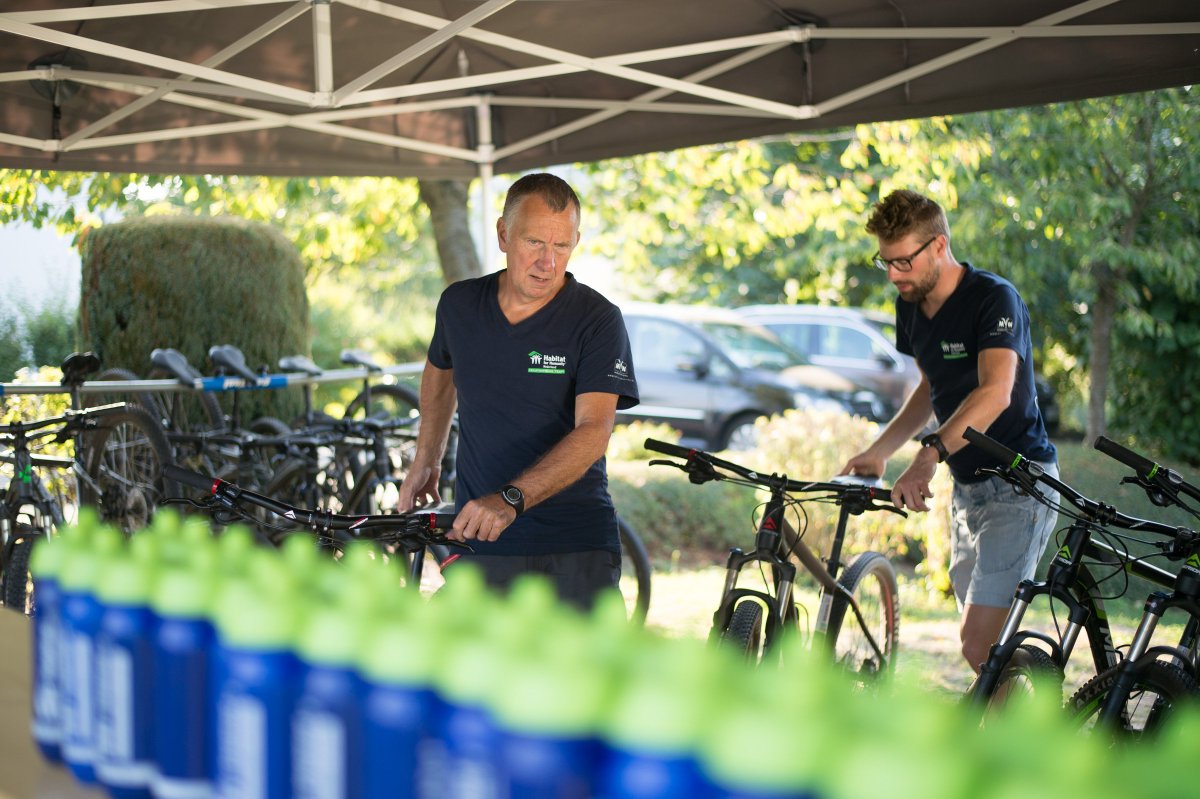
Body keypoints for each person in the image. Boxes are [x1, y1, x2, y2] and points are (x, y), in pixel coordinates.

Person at [839, 189, 1059, 674]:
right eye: (885, 262)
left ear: (939, 245)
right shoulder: (910, 305)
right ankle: (1020, 702)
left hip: (1021, 483)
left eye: (904, 261)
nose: (894, 274)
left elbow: (996, 391)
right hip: (968, 490)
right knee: (987, 654)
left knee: (978, 645)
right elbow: (929, 388)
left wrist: (928, 455)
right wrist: (880, 450)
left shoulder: (993, 298)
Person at [397, 172, 639, 609]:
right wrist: (426, 458)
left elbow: (594, 430)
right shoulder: (459, 305)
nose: (548, 262)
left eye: (561, 246)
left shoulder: (597, 319)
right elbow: (440, 373)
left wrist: (510, 500)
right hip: (482, 539)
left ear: (576, 242)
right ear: (504, 235)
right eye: (534, 243)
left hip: (574, 543)